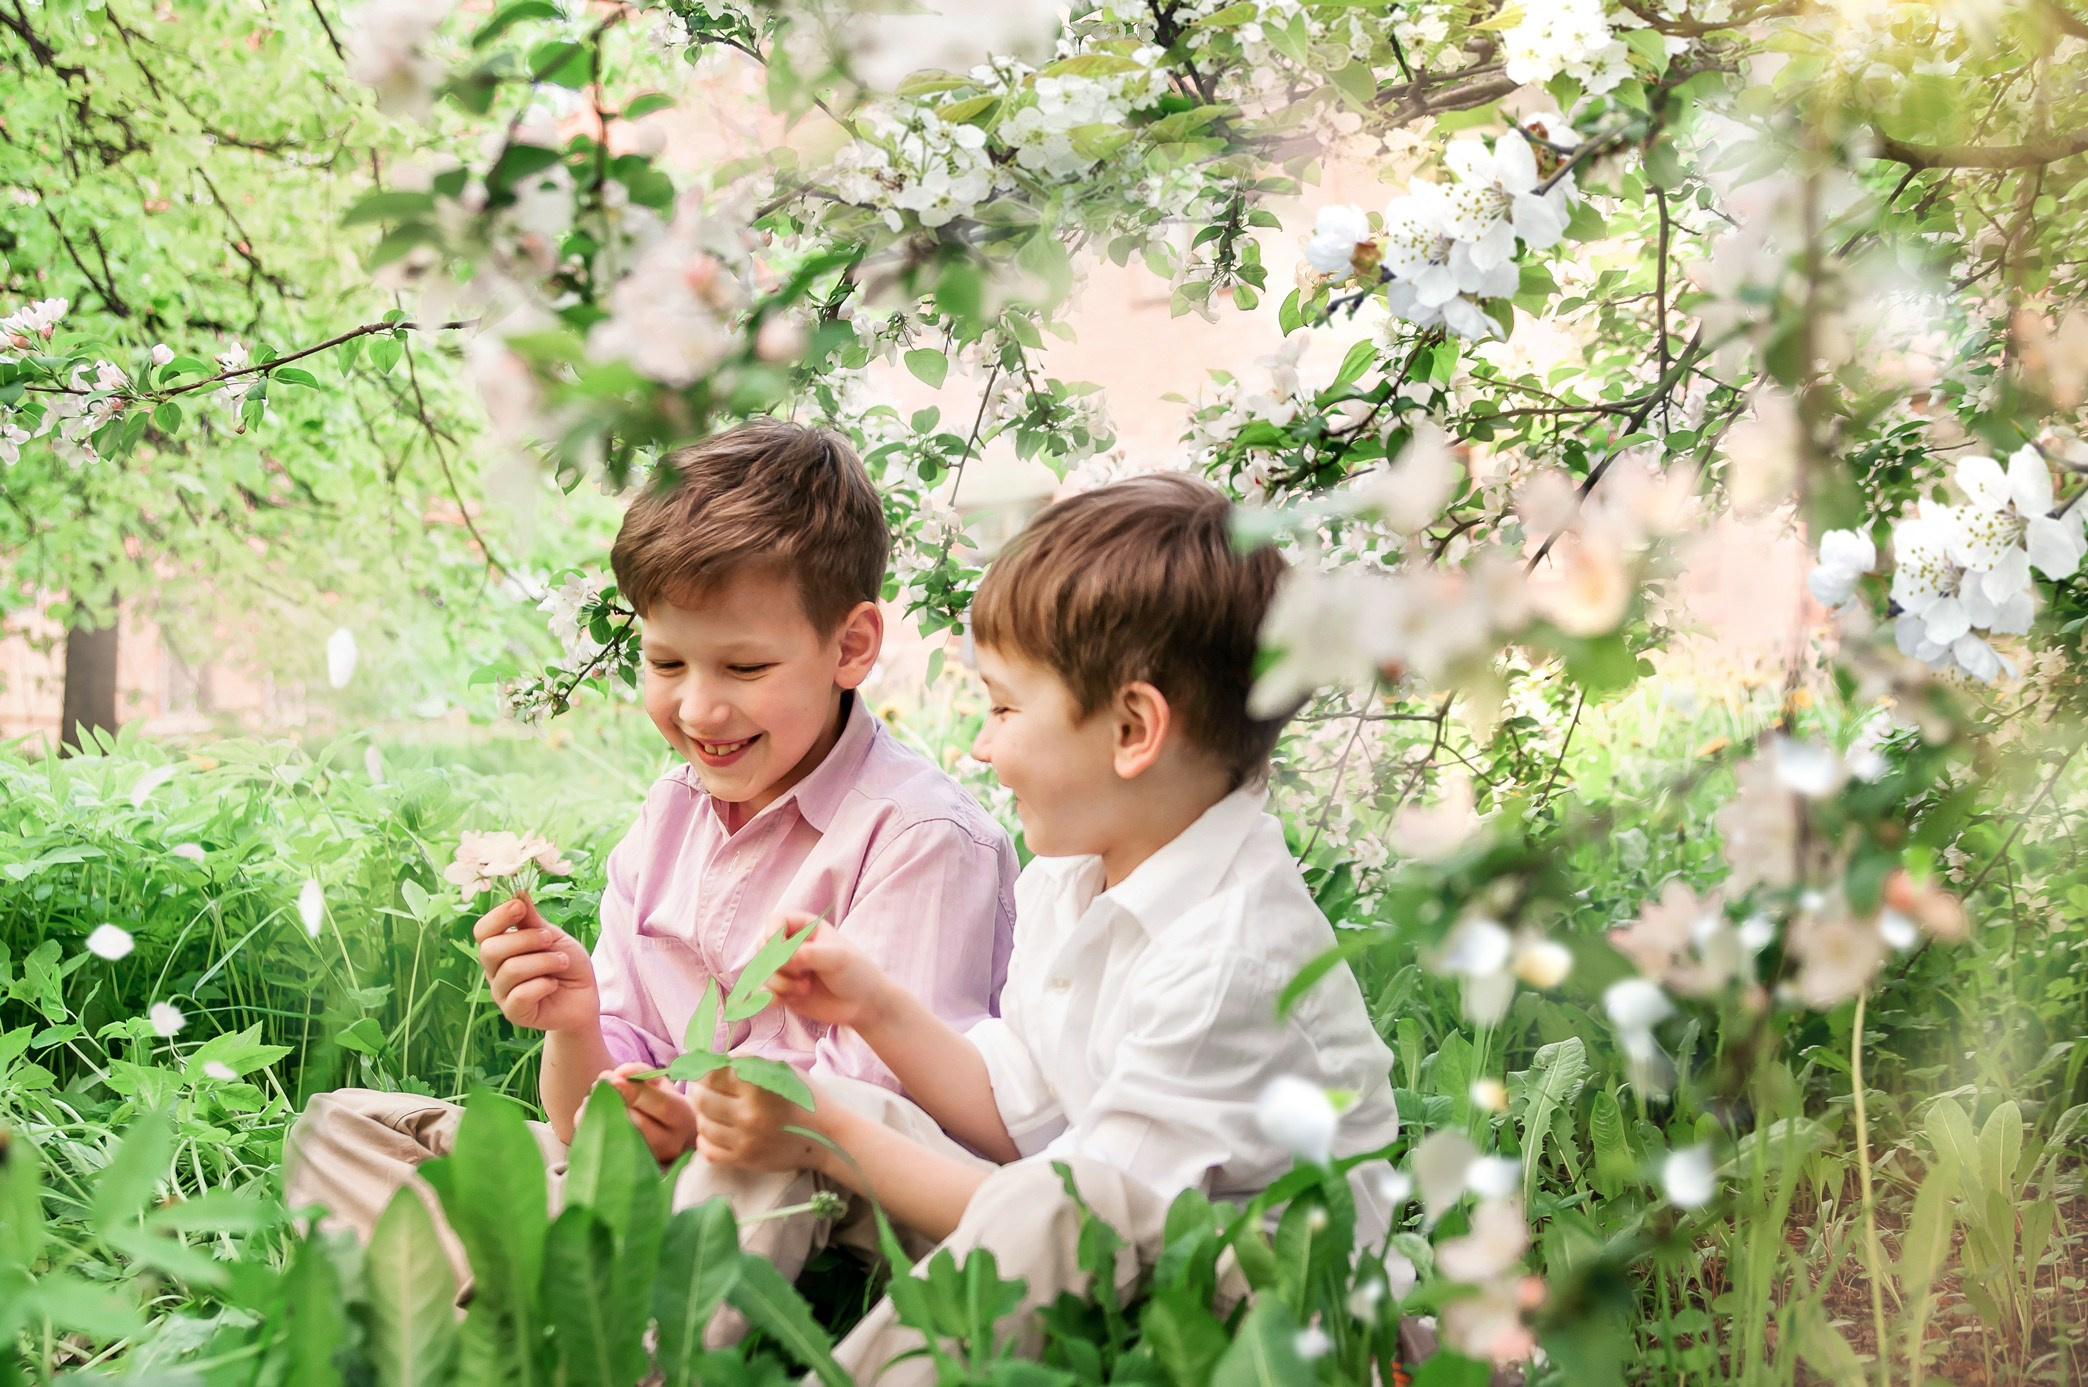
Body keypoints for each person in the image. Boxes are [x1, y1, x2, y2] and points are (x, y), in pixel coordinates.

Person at [283, 419, 1018, 1312]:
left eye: (744, 666)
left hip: (796, 1189)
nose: (699, 708)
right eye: (666, 660)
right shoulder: (671, 813)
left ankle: (579, 1333)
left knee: (765, 1119)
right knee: (342, 1127)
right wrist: (575, 1025)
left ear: (852, 647)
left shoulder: (920, 834)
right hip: (655, 1187)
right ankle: (539, 1310)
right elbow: (584, 1120)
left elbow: (867, 1122)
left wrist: (691, 1127)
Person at [693, 471, 1403, 1381]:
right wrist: (874, 1007)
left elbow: (1084, 1233)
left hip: (1248, 1318)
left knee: (899, 1149)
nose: (981, 745)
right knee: (823, 1097)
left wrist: (828, 1137)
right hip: (1085, 1245)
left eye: (1003, 707)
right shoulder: (1071, 874)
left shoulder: (1230, 957)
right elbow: (1016, 1112)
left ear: (1133, 729)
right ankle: (644, 1350)